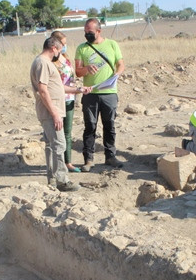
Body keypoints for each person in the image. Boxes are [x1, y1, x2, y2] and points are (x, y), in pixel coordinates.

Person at [29, 36, 91, 192]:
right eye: (60, 48)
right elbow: (43, 90)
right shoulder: (43, 63)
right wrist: (55, 114)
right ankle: (62, 181)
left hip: (52, 110)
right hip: (51, 111)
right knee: (59, 144)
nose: (61, 51)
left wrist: (78, 89)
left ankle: (52, 178)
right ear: (53, 48)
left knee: (51, 144)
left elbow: (57, 87)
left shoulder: (45, 63)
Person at [75, 18, 125, 172]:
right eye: (85, 32)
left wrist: (117, 74)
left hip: (109, 92)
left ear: (98, 31)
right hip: (90, 94)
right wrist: (86, 69)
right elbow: (77, 72)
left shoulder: (112, 44)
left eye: (89, 32)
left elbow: (120, 63)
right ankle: (88, 159)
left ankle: (110, 156)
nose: (86, 34)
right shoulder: (82, 48)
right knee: (90, 126)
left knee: (109, 124)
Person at [50, 31, 80, 173]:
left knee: (67, 132)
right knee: (57, 134)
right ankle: (57, 165)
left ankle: (68, 162)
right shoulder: (51, 61)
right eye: (63, 43)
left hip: (69, 99)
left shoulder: (66, 58)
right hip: (58, 100)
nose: (65, 46)